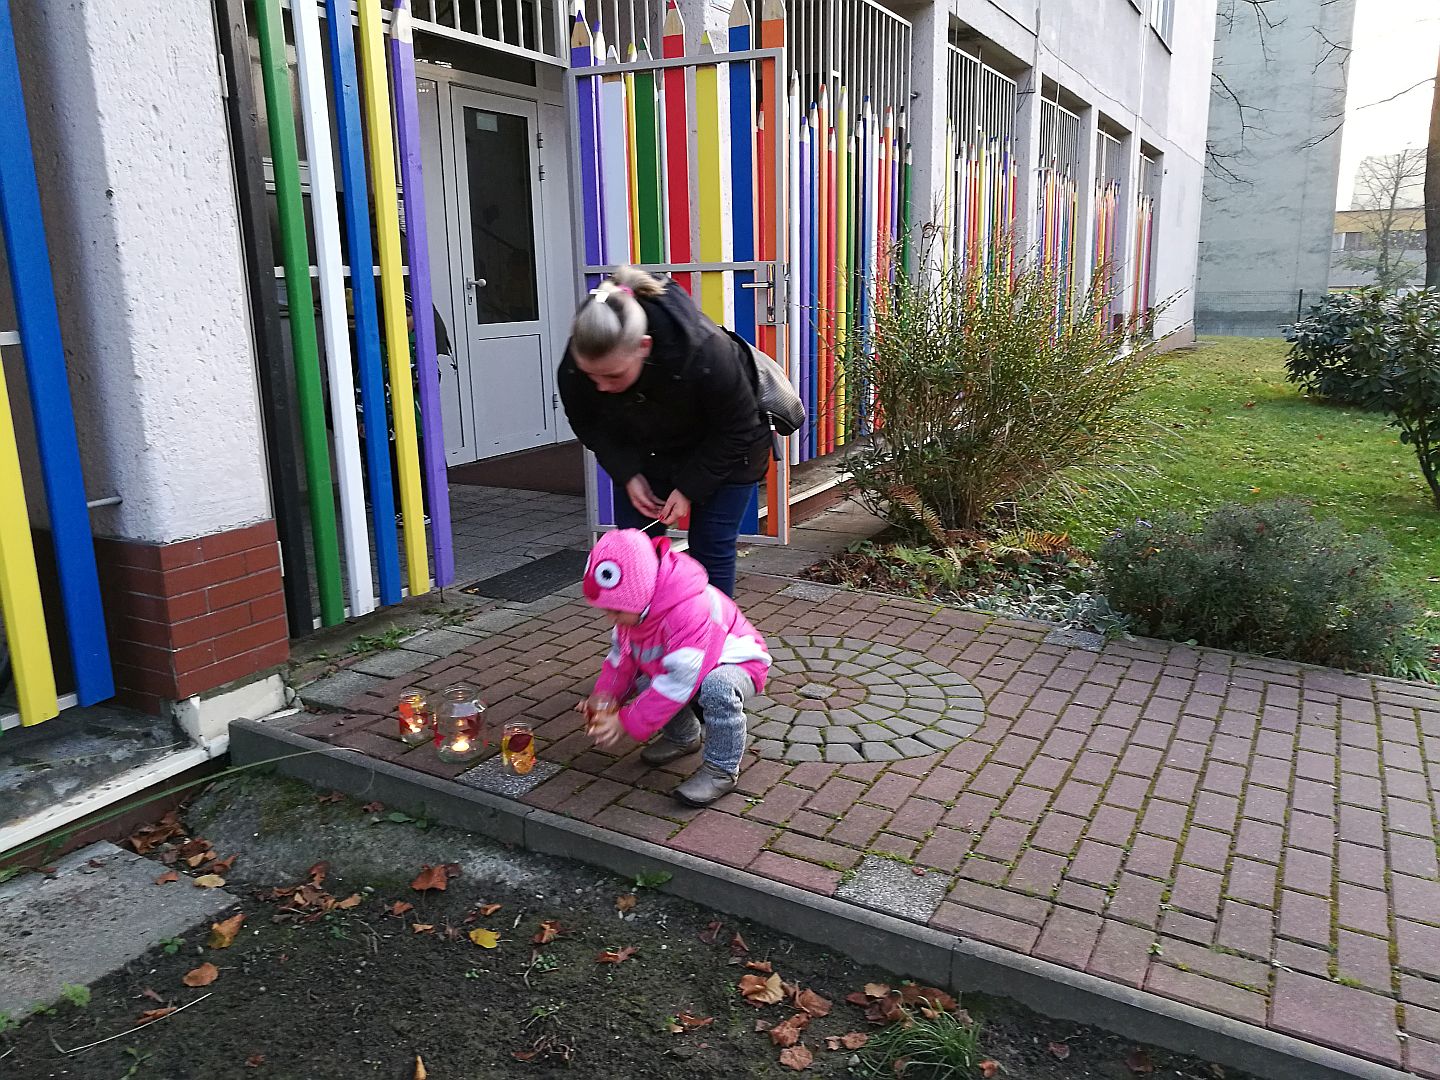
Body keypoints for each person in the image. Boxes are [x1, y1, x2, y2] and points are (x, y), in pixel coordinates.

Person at [557, 266, 771, 598]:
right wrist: (627, 473)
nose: (600, 387)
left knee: (710, 551)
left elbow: (738, 427)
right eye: (591, 376)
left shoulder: (705, 351)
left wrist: (687, 488)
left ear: (644, 346)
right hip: (649, 448)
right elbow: (588, 422)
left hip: (727, 449)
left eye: (613, 376)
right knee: (636, 551)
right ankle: (644, 628)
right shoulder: (579, 361)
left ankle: (709, 629)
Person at [577, 528, 771, 806]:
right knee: (646, 677)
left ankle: (722, 770)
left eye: (616, 610)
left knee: (718, 688)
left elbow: (678, 681)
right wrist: (605, 697)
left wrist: (626, 720)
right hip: (692, 665)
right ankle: (683, 737)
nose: (611, 618)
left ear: (639, 593)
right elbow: (621, 661)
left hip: (738, 662)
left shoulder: (688, 610)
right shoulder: (633, 614)